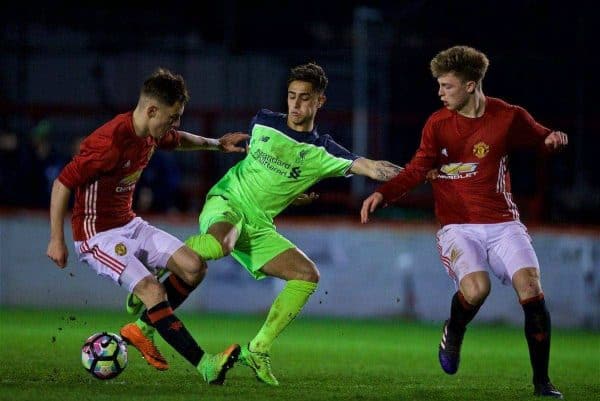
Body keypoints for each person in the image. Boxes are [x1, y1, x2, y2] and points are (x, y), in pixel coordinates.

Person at [124, 62, 403, 386]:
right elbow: (259, 167)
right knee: (219, 244)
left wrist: (417, 172)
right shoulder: (263, 122)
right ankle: (152, 270)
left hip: (258, 225)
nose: (296, 105)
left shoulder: (323, 151)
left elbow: (372, 167)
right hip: (227, 202)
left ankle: (255, 349)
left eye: (304, 98)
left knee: (307, 274)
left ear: (320, 102)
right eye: (291, 96)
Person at [360, 46, 567, 399]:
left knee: (531, 290)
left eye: (447, 86)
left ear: (471, 85)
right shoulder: (438, 124)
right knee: (476, 290)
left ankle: (542, 383)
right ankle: (454, 330)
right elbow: (416, 169)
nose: (440, 93)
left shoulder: (508, 115)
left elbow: (540, 136)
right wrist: (384, 193)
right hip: (458, 226)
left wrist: (551, 140)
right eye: (439, 85)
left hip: (504, 223)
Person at [46, 67, 249, 385]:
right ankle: (206, 365)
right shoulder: (109, 143)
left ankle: (141, 329)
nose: (175, 123)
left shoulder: (151, 132)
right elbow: (62, 184)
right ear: (152, 109)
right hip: (96, 236)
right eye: (173, 116)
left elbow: (179, 140)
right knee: (154, 290)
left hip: (129, 223)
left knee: (194, 267)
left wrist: (217, 144)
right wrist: (56, 239)